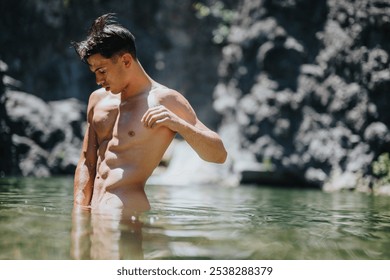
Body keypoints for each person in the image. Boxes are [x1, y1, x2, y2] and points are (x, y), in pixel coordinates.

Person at [72, 13, 227, 216]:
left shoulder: (165, 100)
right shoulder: (97, 100)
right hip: (92, 210)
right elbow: (87, 161)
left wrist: (179, 125)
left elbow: (219, 155)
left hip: (125, 214)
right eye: (95, 73)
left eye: (102, 70)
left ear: (126, 61)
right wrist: (79, 214)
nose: (98, 80)